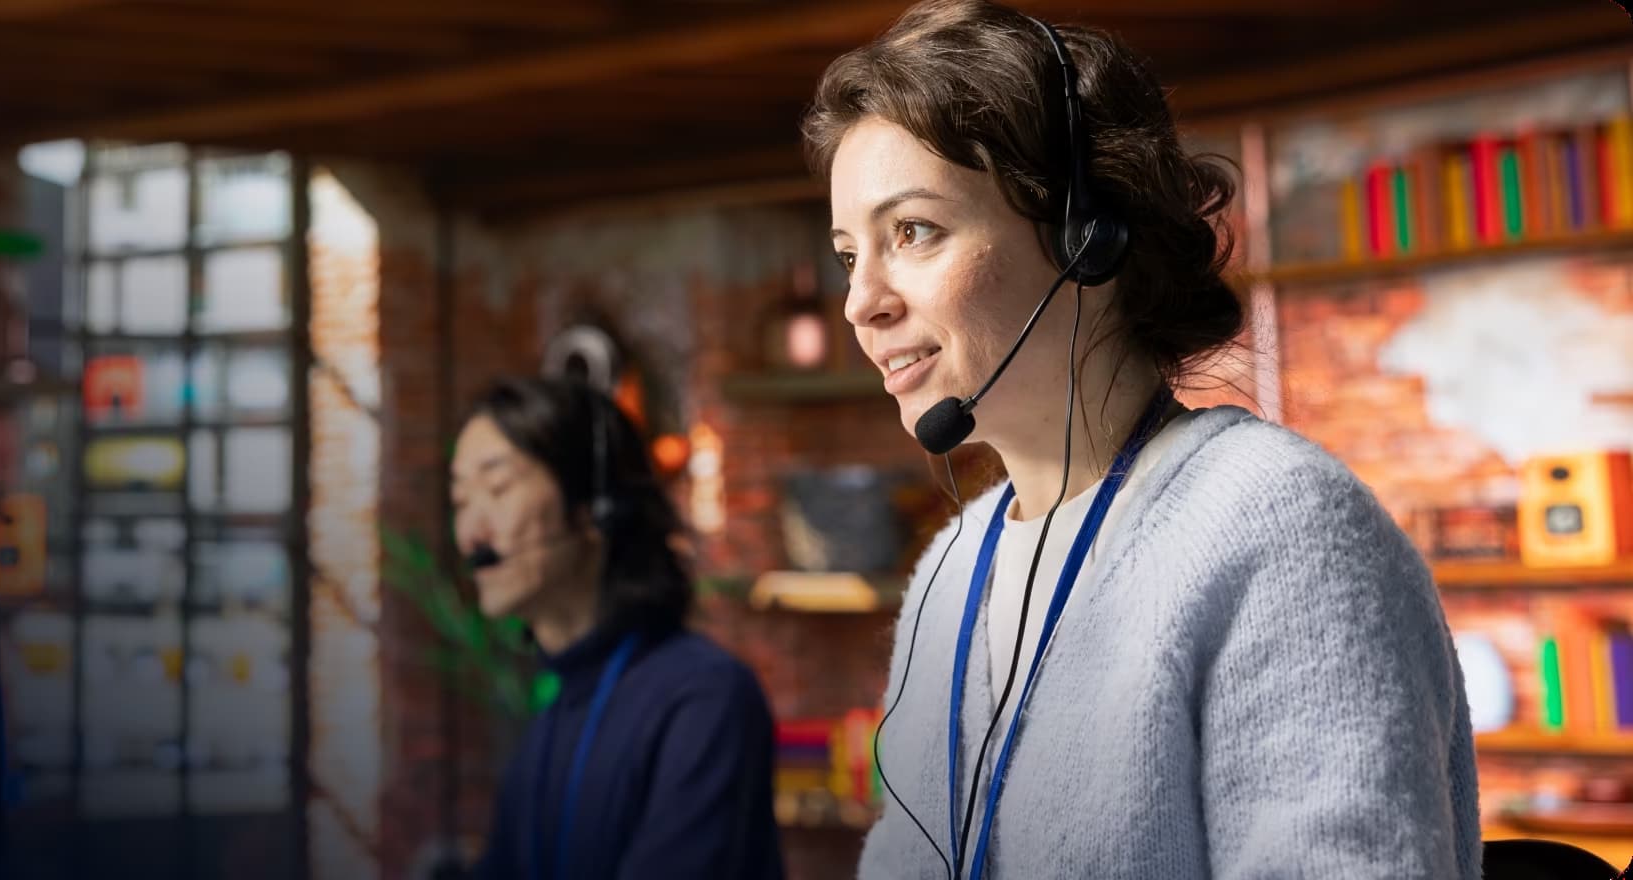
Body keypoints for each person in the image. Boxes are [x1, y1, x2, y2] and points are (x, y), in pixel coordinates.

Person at [805, 2, 1479, 878]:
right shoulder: (952, 569)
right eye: (851, 255)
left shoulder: (1274, 527)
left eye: (914, 232)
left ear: (1089, 240)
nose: (863, 302)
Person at [454, 376, 785, 880]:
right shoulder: (546, 727)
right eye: (460, 502)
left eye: (497, 488)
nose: (470, 534)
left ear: (596, 506)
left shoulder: (704, 698)